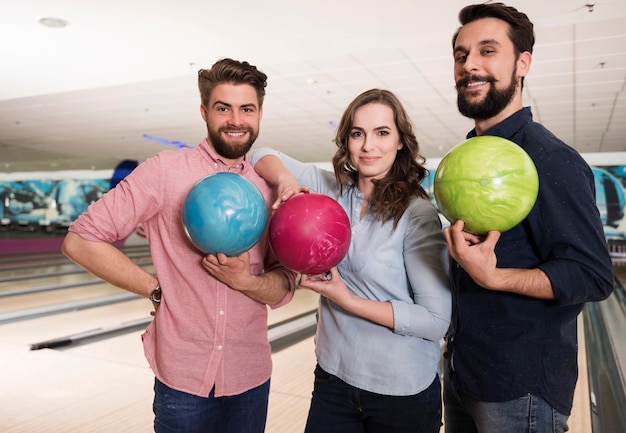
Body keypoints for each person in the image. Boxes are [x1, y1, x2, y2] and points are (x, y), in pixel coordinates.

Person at [62, 58, 297, 433]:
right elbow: (80, 240)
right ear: (205, 111)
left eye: (246, 109)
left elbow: (285, 286)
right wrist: (154, 290)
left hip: (250, 378)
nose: (236, 119)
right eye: (224, 108)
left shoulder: (270, 187)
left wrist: (247, 282)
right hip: (183, 381)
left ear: (260, 114)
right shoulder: (165, 172)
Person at [442, 4, 615, 433]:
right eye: (461, 55)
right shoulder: (467, 160)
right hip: (462, 373)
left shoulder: (551, 160)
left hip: (521, 391)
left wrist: (496, 277)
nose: (470, 66)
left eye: (488, 51)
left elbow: (593, 276)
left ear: (523, 63)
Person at [250, 88, 451, 433]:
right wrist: (286, 180)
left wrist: (346, 300)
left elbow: (435, 321)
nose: (368, 145)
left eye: (382, 133)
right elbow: (260, 153)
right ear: (347, 140)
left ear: (401, 141)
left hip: (400, 392)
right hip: (334, 379)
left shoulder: (416, 215)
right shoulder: (329, 190)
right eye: (358, 133)